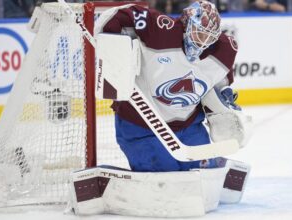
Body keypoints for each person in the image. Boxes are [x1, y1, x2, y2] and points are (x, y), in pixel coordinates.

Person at [95, 0, 249, 172]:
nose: (203, 41)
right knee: (165, 180)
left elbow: (220, 85)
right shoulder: (160, 29)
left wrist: (224, 101)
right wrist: (112, 50)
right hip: (142, 127)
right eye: (199, 33)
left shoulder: (225, 49)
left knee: (205, 175)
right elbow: (116, 16)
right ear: (186, 23)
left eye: (209, 37)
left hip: (189, 128)